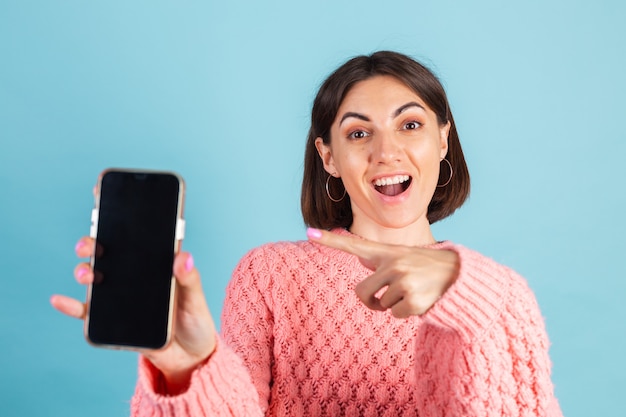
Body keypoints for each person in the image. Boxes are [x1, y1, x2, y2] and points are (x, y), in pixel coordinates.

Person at [51, 51, 563, 416]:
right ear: (328, 157)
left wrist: (462, 287)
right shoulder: (271, 274)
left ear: (444, 139)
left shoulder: (497, 296)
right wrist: (189, 371)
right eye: (358, 133)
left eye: (410, 125)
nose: (387, 152)